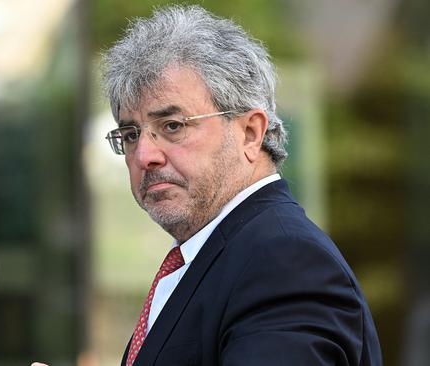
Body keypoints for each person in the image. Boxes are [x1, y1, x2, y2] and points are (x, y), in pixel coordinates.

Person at [98, 4, 382, 366]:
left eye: (172, 125)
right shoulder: (218, 253)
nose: (144, 155)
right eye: (131, 133)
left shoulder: (285, 261)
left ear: (251, 133)